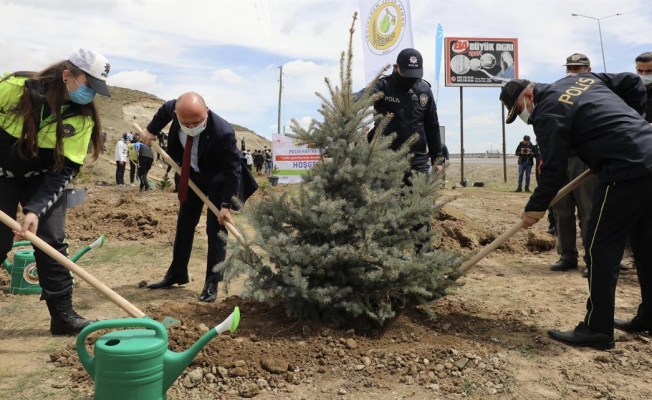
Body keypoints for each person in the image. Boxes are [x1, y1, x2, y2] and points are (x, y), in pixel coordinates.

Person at [500, 73, 652, 349]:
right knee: (646, 248)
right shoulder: (583, 78)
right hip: (648, 153)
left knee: (599, 248)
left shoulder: (547, 112)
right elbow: (633, 82)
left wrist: (534, 209)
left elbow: (553, 169)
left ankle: (597, 328)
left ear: (529, 97)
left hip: (624, 169)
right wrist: (636, 121)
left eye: (520, 110)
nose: (524, 117)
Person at [0, 48, 111, 335]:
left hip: (40, 178)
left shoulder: (82, 116)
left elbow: (66, 169)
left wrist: (35, 209)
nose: (91, 96)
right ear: (67, 76)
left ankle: (62, 317)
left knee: (51, 239)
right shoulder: (13, 89)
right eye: (89, 86)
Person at [140, 92, 257, 302]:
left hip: (218, 180)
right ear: (177, 114)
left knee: (216, 230)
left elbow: (233, 171)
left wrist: (226, 205)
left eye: (197, 122)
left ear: (207, 113)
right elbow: (163, 112)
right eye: (187, 123)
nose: (192, 127)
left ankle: (211, 283)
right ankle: (177, 273)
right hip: (192, 174)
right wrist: (151, 130)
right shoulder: (173, 109)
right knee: (185, 222)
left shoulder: (223, 132)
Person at [613, 51, 652, 334]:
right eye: (639, 70)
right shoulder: (634, 96)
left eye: (648, 70)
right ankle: (647, 316)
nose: (643, 75)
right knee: (644, 247)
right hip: (642, 174)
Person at [362, 48, 444, 181]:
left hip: (417, 162)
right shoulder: (384, 85)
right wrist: (353, 99)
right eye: (407, 73)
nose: (411, 78)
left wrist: (438, 159)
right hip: (385, 160)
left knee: (421, 201)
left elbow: (432, 126)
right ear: (396, 67)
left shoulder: (424, 90)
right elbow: (366, 94)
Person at [549, 53, 598, 273]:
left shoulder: (597, 91)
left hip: (584, 160)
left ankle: (592, 258)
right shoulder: (560, 92)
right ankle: (567, 255)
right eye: (570, 68)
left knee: (588, 211)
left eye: (577, 68)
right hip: (561, 159)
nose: (573, 72)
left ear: (588, 70)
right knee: (561, 210)